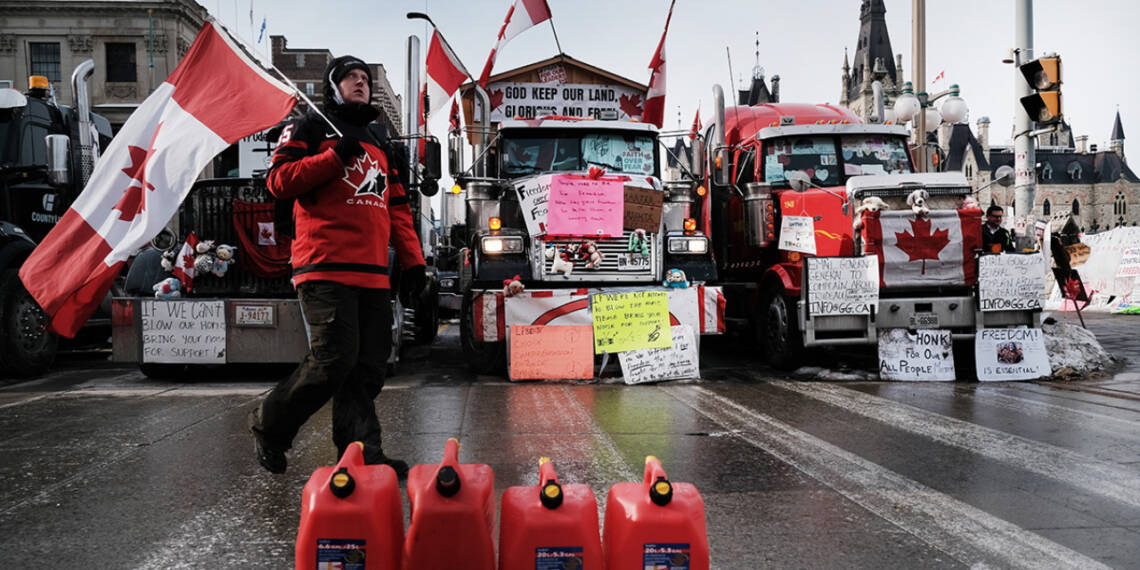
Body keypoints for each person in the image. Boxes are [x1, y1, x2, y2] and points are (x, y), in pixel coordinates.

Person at [249, 55, 427, 477]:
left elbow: (398, 208)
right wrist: (333, 159)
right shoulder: (309, 126)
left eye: (365, 78)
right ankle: (269, 426)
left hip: (372, 272)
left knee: (367, 367)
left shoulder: (381, 139)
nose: (361, 83)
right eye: (351, 77)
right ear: (334, 85)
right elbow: (278, 181)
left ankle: (361, 453)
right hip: (323, 264)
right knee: (333, 360)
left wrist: (414, 263)